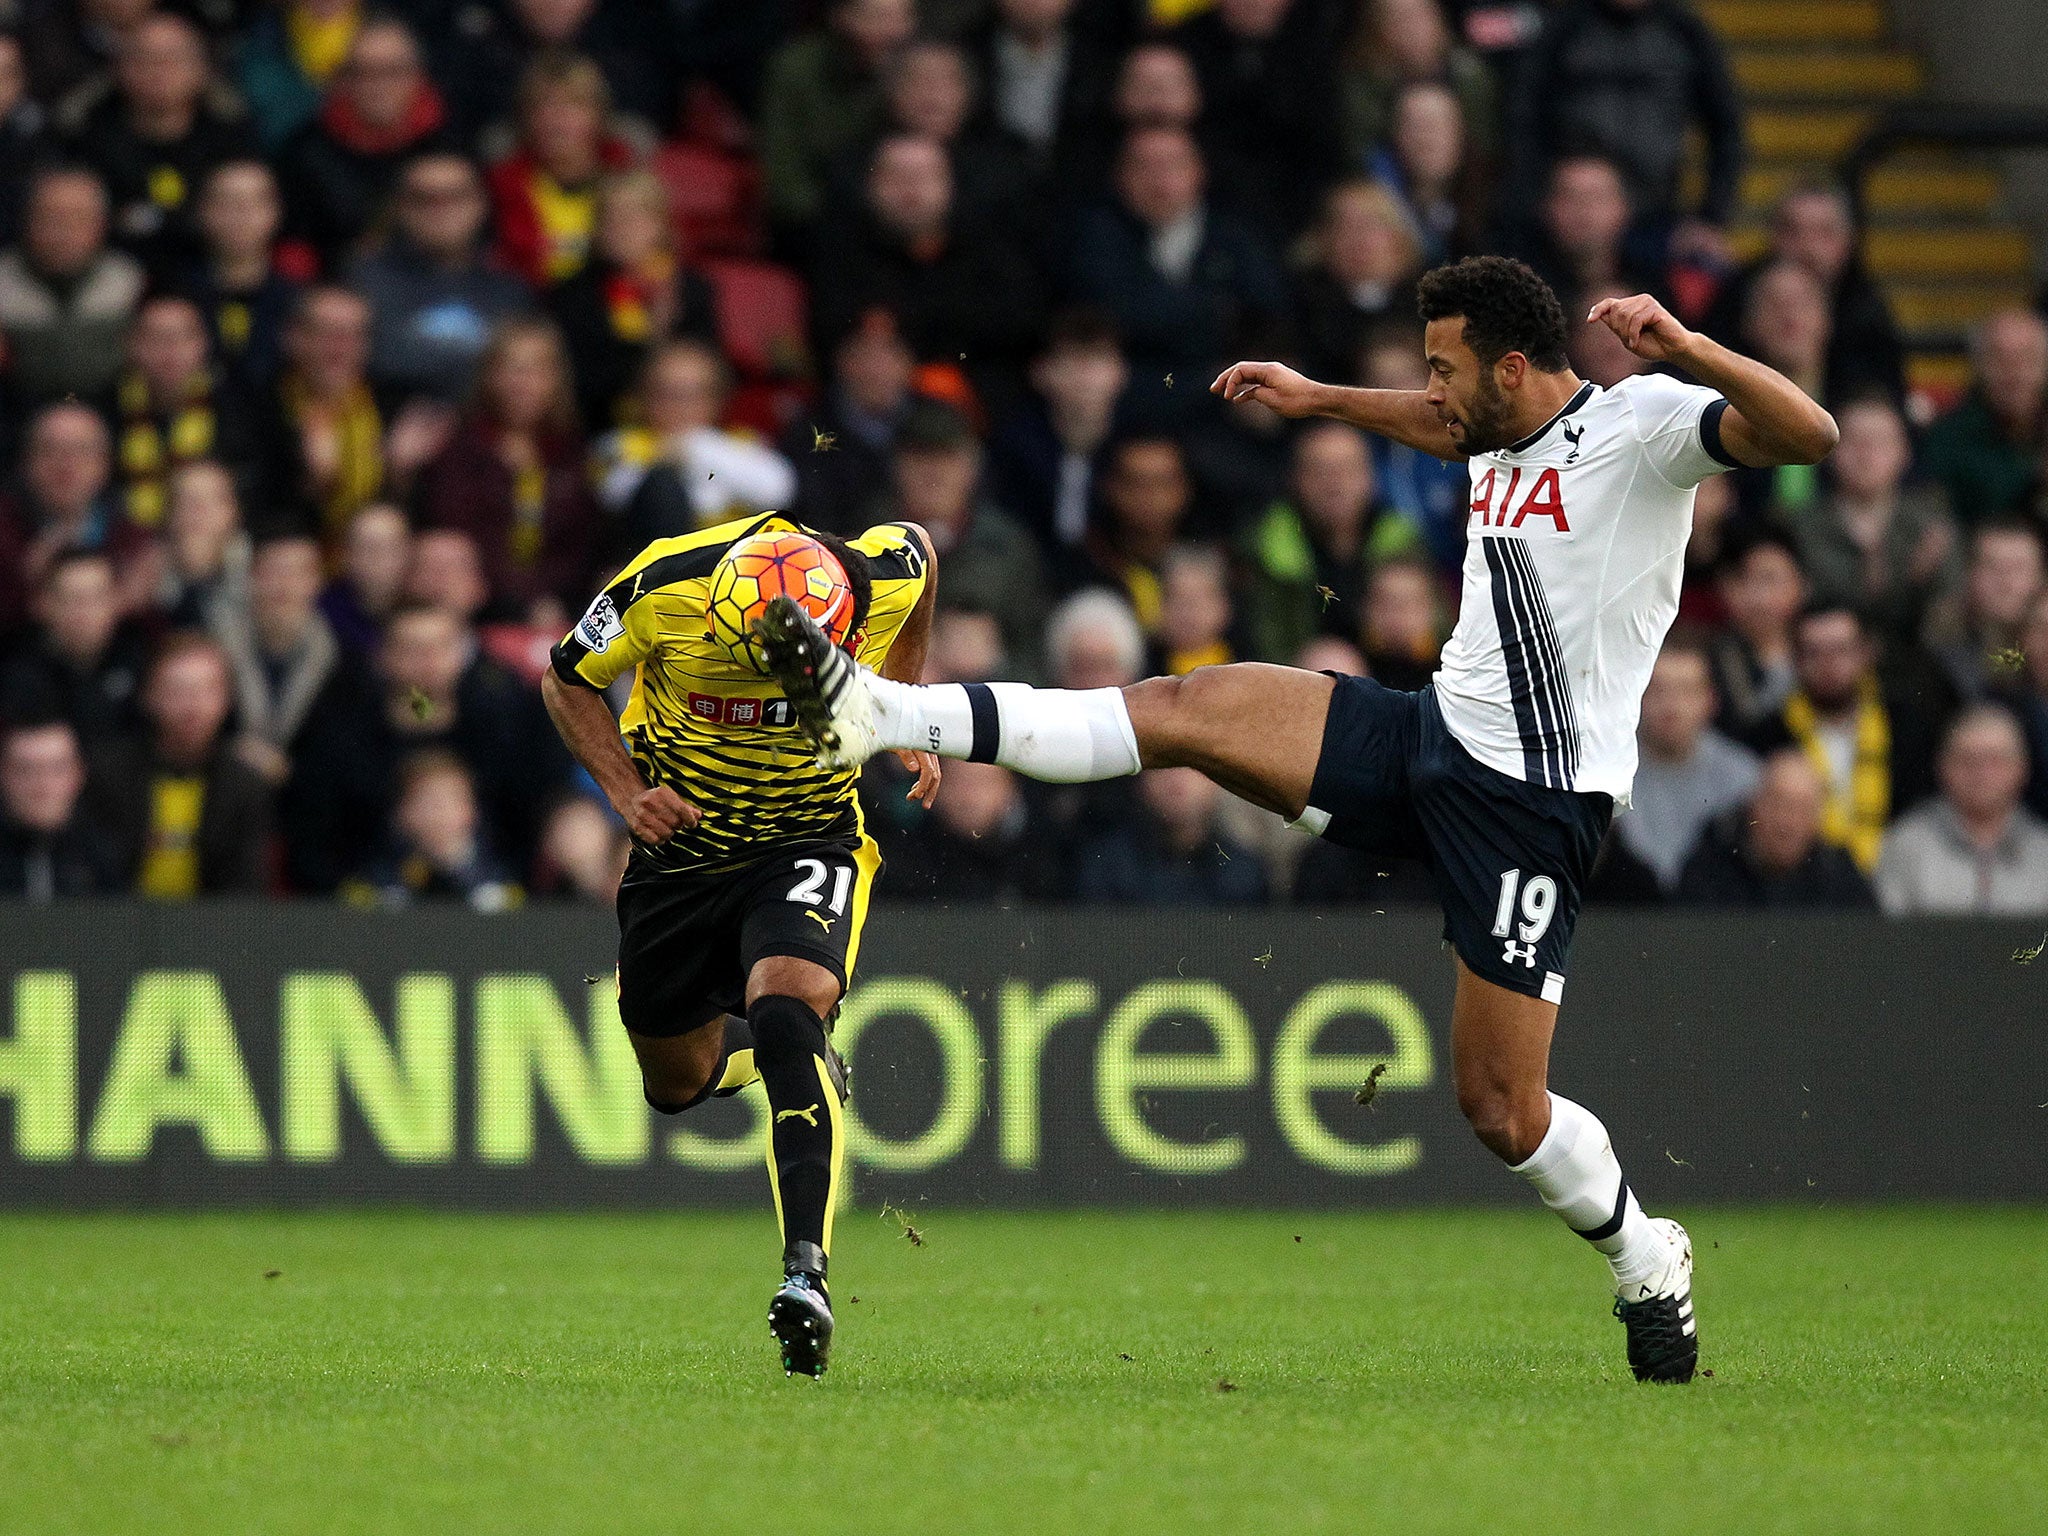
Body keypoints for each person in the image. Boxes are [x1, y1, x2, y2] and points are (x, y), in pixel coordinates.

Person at [758, 254, 1840, 1385]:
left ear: (1509, 367)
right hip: (1425, 736)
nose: (1429, 389)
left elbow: (1805, 434)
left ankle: (1643, 1256)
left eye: (1442, 367)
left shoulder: (1643, 428)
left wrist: (1689, 348)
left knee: (1499, 1108)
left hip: (1530, 807)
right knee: (1188, 704)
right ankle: (880, 712)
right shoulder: (1489, 429)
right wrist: (1320, 399)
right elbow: (1447, 430)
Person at [540, 513, 939, 1377]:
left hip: (809, 836)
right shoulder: (659, 587)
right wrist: (623, 793)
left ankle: (807, 1278)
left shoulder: (878, 579)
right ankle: (779, 1062)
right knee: (674, 1085)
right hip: (678, 850)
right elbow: (565, 678)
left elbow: (922, 553)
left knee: (789, 1006)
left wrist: (904, 709)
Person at [1064, 126, 1289, 415]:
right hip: (1127, 397)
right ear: (1119, 177)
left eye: (1172, 166)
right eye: (1143, 167)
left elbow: (1266, 314)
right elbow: (1104, 313)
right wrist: (1212, 312)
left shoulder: (1238, 240)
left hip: (1223, 397)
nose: (1159, 180)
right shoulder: (1093, 239)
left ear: (1199, 171)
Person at [1502, 0, 1743, 265]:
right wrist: (1534, 196)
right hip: (1567, 211)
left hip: (1656, 211)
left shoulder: (1685, 31)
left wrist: (1711, 216)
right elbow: (1523, 116)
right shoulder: (1564, 27)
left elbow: (1726, 128)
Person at [1743, 601, 1948, 872]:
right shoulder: (1767, 736)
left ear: (1867, 653)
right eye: (1814, 652)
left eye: (1841, 650)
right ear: (1795, 660)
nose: (1828, 664)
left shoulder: (1909, 725)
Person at [413, 317, 596, 618]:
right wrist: (523, 600)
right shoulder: (460, 446)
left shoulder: (571, 452)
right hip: (480, 604)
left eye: (537, 369)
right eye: (512, 367)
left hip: (562, 605)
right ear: (490, 376)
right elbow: (458, 534)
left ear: (556, 380)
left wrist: (550, 600)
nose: (523, 383)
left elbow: (582, 546)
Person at [66, 13, 256, 282]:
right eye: (144, 59)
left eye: (173, 59)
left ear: (202, 69)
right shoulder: (87, 137)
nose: (159, 71)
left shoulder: (232, 139)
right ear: (119, 68)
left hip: (212, 277)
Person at [86, 631, 274, 896]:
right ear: (149, 696)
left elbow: (245, 888)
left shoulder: (244, 785)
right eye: (178, 690)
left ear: (226, 699)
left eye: (206, 690)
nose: (193, 706)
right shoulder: (108, 774)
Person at [869, 397, 1043, 668]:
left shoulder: (1007, 546)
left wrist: (993, 666)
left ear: (973, 466)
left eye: (947, 457)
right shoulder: (864, 541)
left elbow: (1037, 657)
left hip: (981, 696)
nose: (934, 473)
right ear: (897, 466)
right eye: (920, 457)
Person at [546, 169, 721, 435]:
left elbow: (711, 371)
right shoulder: (573, 293)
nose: (621, 227)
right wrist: (653, 337)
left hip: (687, 429)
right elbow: (580, 383)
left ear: (661, 225)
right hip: (602, 429)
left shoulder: (690, 289)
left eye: (634, 216)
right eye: (610, 217)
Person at [351, 150, 532, 406]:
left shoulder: (510, 288)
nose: (441, 211)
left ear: (480, 205)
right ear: (400, 208)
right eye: (424, 199)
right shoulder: (366, 281)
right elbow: (377, 362)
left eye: (455, 197)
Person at [1240, 419, 1424, 664]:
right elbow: (1258, 645)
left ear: (1370, 477)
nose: (1335, 485)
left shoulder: (1402, 543)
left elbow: (1443, 630)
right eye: (1321, 472)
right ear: (1296, 479)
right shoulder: (1265, 549)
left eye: (1348, 470)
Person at [1704, 183, 1903, 406]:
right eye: (1793, 231)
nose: (1808, 247)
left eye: (1823, 232)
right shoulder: (1735, 295)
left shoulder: (1867, 314)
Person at [592, 340, 796, 555]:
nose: (681, 406)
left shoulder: (738, 443)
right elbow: (615, 493)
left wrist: (694, 448)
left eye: (694, 393)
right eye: (667, 393)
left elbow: (778, 490)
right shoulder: (622, 445)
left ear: (718, 398)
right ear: (643, 396)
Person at [278, 17, 451, 265]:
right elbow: (294, 252)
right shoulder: (305, 154)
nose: (379, 86)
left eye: (393, 71)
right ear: (344, 79)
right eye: (364, 72)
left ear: (417, 75)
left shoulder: (449, 144)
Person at [1789, 394, 1958, 646]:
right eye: (1854, 440)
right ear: (1830, 450)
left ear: (1904, 453)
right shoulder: (1799, 528)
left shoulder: (1932, 526)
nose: (1865, 454)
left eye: (1880, 441)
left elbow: (1950, 624)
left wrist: (1923, 586)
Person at [1611, 634, 1759, 893]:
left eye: (1687, 691)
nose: (1672, 705)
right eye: (1658, 690)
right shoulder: (1604, 771)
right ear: (1636, 695)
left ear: (1710, 701)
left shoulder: (1745, 778)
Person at [759, 0, 916, 243]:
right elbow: (785, 178)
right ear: (839, 18)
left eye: (900, 17)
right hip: (819, 224)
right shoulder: (797, 69)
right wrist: (842, 225)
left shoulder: (919, 69)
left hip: (906, 219)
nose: (891, 31)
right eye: (875, 16)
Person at [1875, 705, 2048, 915]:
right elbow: (1886, 938)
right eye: (1968, 761)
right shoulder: (1906, 845)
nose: (1982, 774)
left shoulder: (2043, 851)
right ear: (1942, 766)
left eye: (1995, 761)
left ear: (2021, 768)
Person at [487, 50, 637, 289]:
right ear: (524, 116)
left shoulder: (630, 179)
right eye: (543, 105)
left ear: (599, 114)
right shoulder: (498, 188)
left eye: (573, 104)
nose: (557, 119)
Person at [0, 166, 146, 408]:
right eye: (50, 217)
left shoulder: (132, 283)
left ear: (101, 224)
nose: (62, 232)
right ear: (27, 220)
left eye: (78, 218)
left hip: (114, 417)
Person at [989, 308, 1129, 552]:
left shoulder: (1134, 446)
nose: (1086, 378)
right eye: (1073, 360)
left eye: (1099, 361)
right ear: (1040, 372)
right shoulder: (1014, 446)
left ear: (1121, 372)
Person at [1672, 749, 1876, 909]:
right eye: (1778, 804)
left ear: (1818, 818)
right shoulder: (1711, 868)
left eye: (1802, 809)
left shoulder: (1840, 877)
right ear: (1754, 807)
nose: (1788, 823)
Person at [781, 309, 917, 532]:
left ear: (909, 362)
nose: (876, 369)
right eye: (863, 353)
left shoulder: (935, 426)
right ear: (842, 360)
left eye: (889, 352)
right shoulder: (808, 435)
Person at [222, 532, 341, 784]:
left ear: (316, 582)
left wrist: (423, 708)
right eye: (272, 571)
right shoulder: (213, 651)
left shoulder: (345, 662)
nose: (284, 585)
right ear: (251, 578)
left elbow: (416, 704)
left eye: (297, 573)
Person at [0, 551, 149, 746]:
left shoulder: (141, 659)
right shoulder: (15, 674)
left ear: (116, 601)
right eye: (71, 598)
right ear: (43, 605)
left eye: (96, 597)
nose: (84, 611)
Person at [345, 747, 523, 910]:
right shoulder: (372, 888)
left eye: (451, 800)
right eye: (427, 801)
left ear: (471, 811)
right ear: (401, 813)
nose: (439, 812)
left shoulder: (503, 888)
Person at [180, 159, 301, 396]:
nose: (241, 215)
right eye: (227, 203)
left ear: (276, 212)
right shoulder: (176, 296)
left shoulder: (299, 302)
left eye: (254, 202)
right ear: (202, 211)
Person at [1920, 309, 2047, 525]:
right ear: (1979, 365)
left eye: (2026, 358)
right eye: (2000, 359)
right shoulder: (1947, 439)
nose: (2014, 373)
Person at [1292, 179, 1424, 386]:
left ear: (1398, 235)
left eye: (1370, 224)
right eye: (1344, 227)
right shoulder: (1302, 313)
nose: (1358, 239)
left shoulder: (1436, 306)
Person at [1072, 765, 1268, 903]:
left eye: (1192, 765)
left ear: (1217, 780)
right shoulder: (1107, 868)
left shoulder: (1245, 872)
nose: (1176, 778)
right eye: (1162, 764)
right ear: (1139, 777)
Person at [881, 756, 1059, 902]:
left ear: (1010, 787)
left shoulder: (1049, 854)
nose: (968, 797)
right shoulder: (907, 860)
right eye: (956, 781)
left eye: (981, 782)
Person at [0, 717, 127, 899]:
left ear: (78, 774)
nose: (42, 786)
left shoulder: (104, 856)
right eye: (26, 770)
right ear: (4, 774)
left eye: (57, 769)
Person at [1926, 520, 2045, 702]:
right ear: (1969, 574)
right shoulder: (1942, 646)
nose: (2006, 584)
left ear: (2040, 577)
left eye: (2018, 569)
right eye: (1992, 568)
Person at [1708, 526, 1805, 738]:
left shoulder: (1815, 646)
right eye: (1746, 580)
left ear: (1801, 585)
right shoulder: (1715, 656)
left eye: (1770, 580)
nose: (1758, 596)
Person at [319, 501, 410, 655]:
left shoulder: (427, 606)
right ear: (346, 554)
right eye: (366, 546)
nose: (377, 557)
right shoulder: (321, 615)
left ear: (407, 552)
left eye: (388, 546)